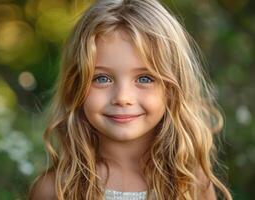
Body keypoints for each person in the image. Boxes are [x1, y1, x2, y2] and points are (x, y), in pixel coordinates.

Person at [28, 0, 233, 199]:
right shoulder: (55, 189)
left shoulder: (190, 183)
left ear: (172, 89)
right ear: (75, 86)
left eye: (145, 78)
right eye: (102, 78)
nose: (122, 98)